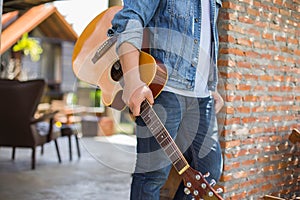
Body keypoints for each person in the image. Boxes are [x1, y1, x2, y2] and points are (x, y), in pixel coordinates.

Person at [109, 0, 224, 199]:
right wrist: (133, 79)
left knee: (209, 174)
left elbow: (206, 36)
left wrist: (210, 84)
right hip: (163, 88)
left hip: (202, 96)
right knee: (151, 177)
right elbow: (130, 18)